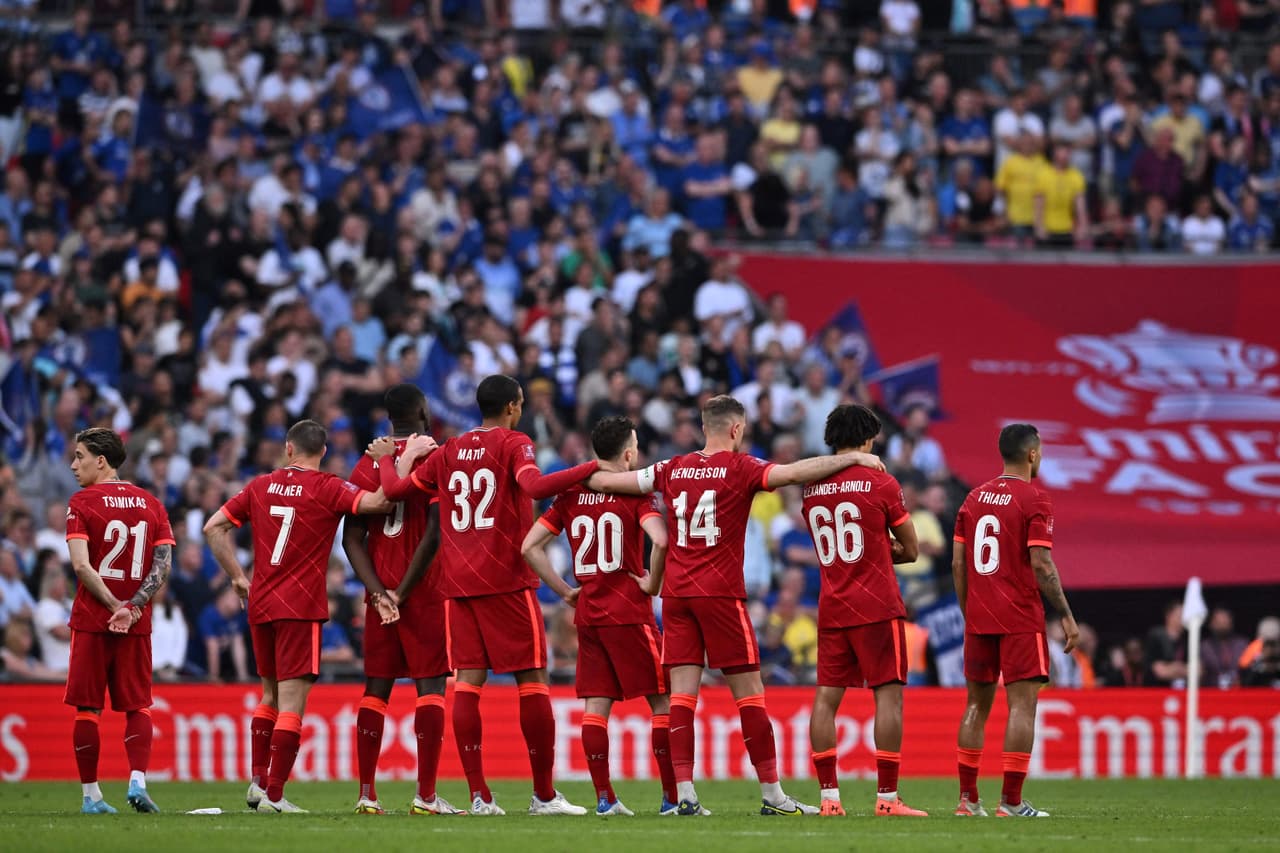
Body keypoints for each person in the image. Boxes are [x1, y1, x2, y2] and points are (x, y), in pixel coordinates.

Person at [585, 394, 884, 816]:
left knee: (682, 699)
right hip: (720, 595)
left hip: (677, 597)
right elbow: (796, 472)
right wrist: (853, 460)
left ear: (704, 426)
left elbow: (604, 481)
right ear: (737, 429)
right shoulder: (742, 467)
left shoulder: (671, 468)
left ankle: (685, 796)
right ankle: (772, 795)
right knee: (750, 696)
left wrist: (576, 476)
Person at [379, 375, 598, 816]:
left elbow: (397, 491)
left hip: (458, 585)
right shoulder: (514, 443)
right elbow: (535, 487)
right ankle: (543, 796)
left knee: (468, 685)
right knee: (533, 680)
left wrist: (387, 460)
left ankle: (480, 797)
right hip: (506, 582)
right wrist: (590, 469)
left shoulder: (449, 451)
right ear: (514, 407)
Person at [203, 419, 392, 814]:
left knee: (268, 695)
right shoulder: (328, 487)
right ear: (322, 452)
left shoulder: (259, 485)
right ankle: (274, 796)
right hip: (300, 608)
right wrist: (390, 462)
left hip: (261, 603)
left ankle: (257, 784)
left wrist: (238, 578)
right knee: (292, 704)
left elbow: (213, 527)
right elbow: (380, 503)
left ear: (289, 449)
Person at [520, 416, 678, 816]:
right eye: (636, 446)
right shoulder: (635, 494)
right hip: (629, 610)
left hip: (589, 612)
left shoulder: (571, 493)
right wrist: (651, 582)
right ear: (628, 454)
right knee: (661, 702)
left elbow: (529, 547)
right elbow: (660, 539)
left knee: (596, 707)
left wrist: (565, 591)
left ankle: (605, 798)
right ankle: (672, 800)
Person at [344, 384, 463, 816]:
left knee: (376, 690)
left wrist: (378, 593)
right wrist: (402, 592)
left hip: (380, 596)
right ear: (424, 409)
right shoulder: (435, 455)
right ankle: (426, 795)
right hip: (424, 592)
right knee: (430, 688)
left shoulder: (369, 461)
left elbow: (351, 538)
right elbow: (434, 532)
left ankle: (366, 794)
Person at [804, 405, 925, 818]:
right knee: (888, 699)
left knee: (825, 700)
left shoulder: (811, 489)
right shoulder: (881, 482)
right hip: (876, 604)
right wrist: (882, 546)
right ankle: (888, 800)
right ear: (869, 440)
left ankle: (828, 799)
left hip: (832, 605)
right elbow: (910, 549)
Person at [952, 423, 1077, 818]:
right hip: (1020, 616)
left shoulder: (972, 499)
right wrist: (1067, 617)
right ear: (1033, 454)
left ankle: (968, 801)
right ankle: (1010, 801)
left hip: (979, 615)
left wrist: (968, 608)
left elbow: (958, 563)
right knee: (1022, 706)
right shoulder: (1035, 499)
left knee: (975, 705)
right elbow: (1041, 563)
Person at [63, 427, 174, 815]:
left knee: (87, 709)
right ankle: (138, 781)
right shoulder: (152, 503)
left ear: (101, 461)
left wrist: (113, 605)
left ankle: (92, 796)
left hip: (94, 619)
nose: (74, 465)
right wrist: (133, 606)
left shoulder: (82, 502)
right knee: (138, 706)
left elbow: (81, 565)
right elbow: (162, 567)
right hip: (137, 621)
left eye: (79, 457)